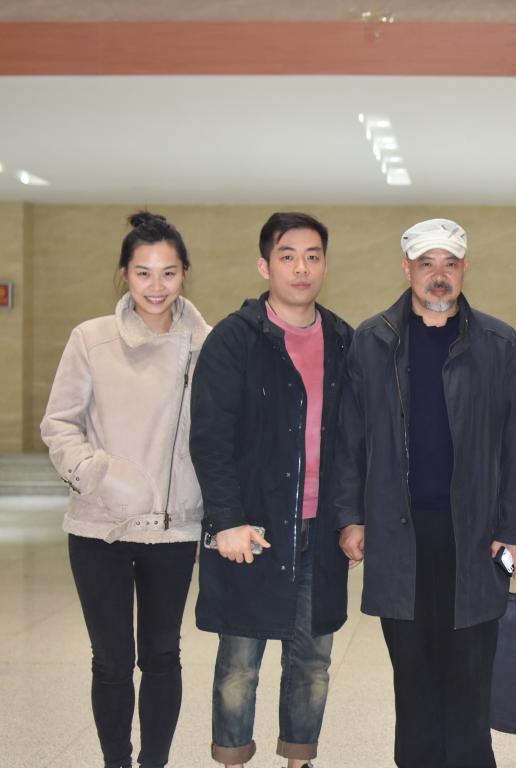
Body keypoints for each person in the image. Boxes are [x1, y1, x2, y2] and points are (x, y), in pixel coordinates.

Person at [332, 218, 516, 768]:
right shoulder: (372, 342)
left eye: (449, 264)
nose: (439, 276)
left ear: (465, 269)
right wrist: (350, 517)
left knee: (471, 675)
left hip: (476, 537)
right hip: (399, 537)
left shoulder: (497, 343)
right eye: (427, 264)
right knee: (414, 675)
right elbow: (349, 440)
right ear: (407, 270)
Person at [41, 211, 211, 768]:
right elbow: (59, 423)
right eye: (143, 273)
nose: (156, 286)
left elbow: (221, 434)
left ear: (185, 272)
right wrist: (96, 473)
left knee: (162, 656)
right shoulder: (91, 339)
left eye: (168, 272)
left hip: (174, 526)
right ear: (124, 274)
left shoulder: (207, 345)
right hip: (100, 526)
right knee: (111, 660)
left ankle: (154, 763)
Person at [189, 212, 352, 768]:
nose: (301, 268)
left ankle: (300, 759)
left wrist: (352, 517)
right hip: (253, 528)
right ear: (265, 266)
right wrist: (226, 519)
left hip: (320, 530)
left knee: (313, 661)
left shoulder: (344, 340)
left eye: (312, 256)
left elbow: (357, 441)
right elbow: (210, 439)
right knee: (240, 662)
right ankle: (232, 758)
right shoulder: (234, 339)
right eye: (287, 256)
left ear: (324, 265)